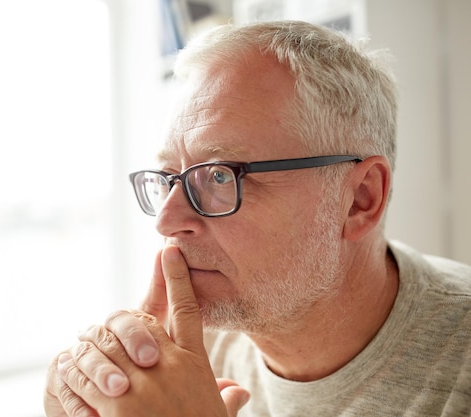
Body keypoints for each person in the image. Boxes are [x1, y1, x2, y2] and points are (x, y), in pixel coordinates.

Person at [44, 20, 471, 417]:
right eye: (168, 180)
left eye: (218, 175)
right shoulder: (184, 347)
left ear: (359, 199)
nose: (167, 221)